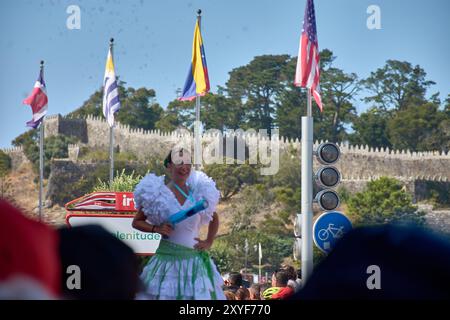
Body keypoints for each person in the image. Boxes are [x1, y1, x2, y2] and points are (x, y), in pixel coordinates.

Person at [132, 148, 225, 300]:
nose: (184, 167)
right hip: (165, 262)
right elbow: (137, 222)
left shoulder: (200, 192)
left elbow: (214, 217)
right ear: (169, 165)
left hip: (195, 262)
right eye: (179, 162)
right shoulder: (156, 193)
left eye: (188, 163)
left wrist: (209, 241)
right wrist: (156, 228)